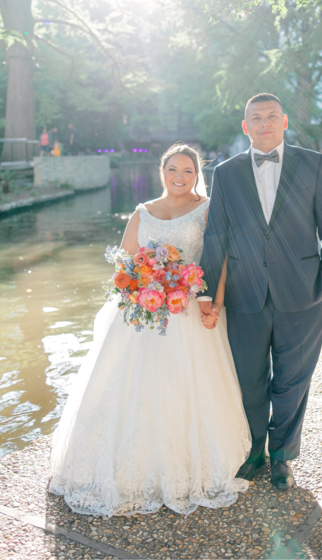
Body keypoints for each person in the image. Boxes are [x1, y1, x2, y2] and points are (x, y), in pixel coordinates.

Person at [49, 144, 251, 516]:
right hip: (144, 314)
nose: (179, 176)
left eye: (188, 170)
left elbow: (219, 260)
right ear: (162, 172)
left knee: (185, 387)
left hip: (189, 311)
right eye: (173, 169)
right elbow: (124, 265)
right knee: (129, 386)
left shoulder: (207, 210)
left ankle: (185, 467)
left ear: (197, 174)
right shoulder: (143, 213)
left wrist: (215, 303)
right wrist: (141, 284)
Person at [199, 93, 322, 489]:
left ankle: (282, 456)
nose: (265, 123)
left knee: (293, 380)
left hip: (304, 293)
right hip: (245, 294)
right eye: (256, 118)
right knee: (249, 378)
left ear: (284, 122)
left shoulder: (312, 164)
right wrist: (207, 294)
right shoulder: (226, 173)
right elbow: (216, 235)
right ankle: (254, 451)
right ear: (245, 127)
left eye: (272, 116)